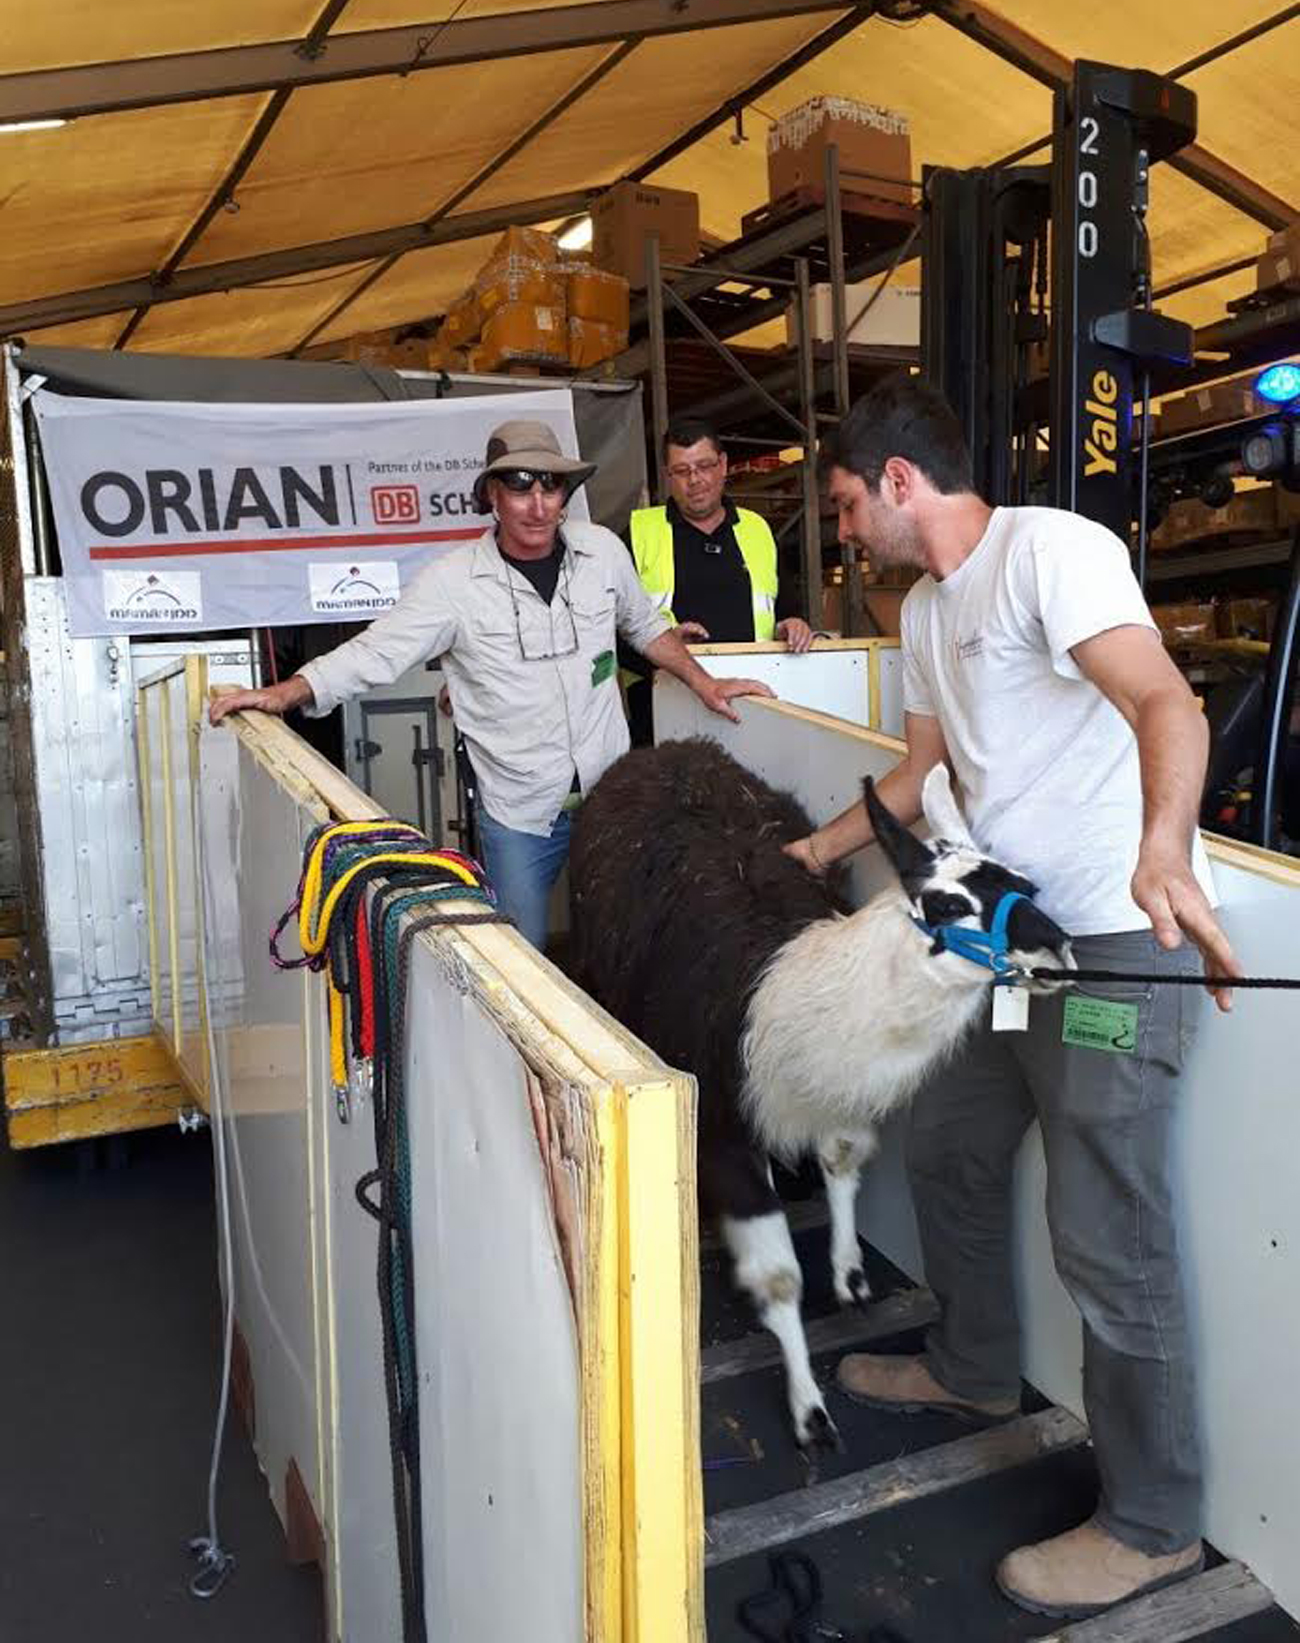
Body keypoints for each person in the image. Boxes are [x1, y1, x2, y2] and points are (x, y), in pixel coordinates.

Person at [784, 375, 1242, 1622]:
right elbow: (920, 770)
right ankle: (975, 1365)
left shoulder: (1049, 551)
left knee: (1106, 1233)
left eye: (845, 504)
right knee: (948, 1140)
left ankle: (1152, 1525)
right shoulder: (929, 609)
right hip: (1010, 940)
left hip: (1117, 941)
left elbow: (1163, 699)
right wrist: (813, 854)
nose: (844, 531)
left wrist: (1163, 845)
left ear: (896, 480)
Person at [210, 419, 772, 949]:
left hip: (612, 797)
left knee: (622, 942)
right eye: (520, 487)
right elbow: (376, 653)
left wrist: (704, 683)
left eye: (551, 487)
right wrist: (286, 692)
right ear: (492, 497)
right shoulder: (453, 583)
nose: (538, 505)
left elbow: (645, 627)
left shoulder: (601, 552)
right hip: (520, 814)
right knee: (521, 956)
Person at [622, 417, 813, 744]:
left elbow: (788, 611)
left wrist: (793, 625)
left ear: (723, 465)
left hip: (751, 709)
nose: (695, 479)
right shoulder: (638, 534)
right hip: (663, 713)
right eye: (682, 471)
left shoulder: (757, 530)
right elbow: (610, 632)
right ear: (668, 476)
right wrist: (664, 647)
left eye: (704, 466)